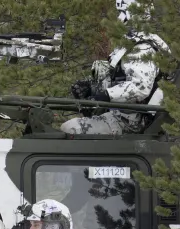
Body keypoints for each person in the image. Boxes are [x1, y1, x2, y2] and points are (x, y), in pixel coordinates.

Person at [60, 0, 171, 136]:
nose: (118, 18)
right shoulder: (134, 43)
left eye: (121, 12)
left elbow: (140, 88)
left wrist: (106, 95)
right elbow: (120, 79)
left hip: (130, 121)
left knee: (70, 128)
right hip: (122, 114)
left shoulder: (143, 48)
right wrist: (91, 88)